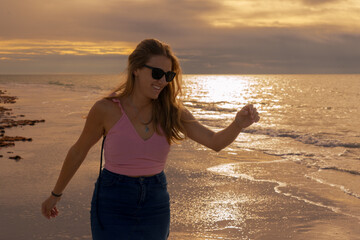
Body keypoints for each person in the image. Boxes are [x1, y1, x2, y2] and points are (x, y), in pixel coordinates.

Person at [41, 38, 260, 240]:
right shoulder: (106, 109)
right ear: (136, 69)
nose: (163, 81)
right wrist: (55, 194)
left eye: (169, 75)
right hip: (112, 199)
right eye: (157, 73)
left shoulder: (172, 112)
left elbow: (215, 142)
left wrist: (237, 124)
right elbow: (79, 151)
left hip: (156, 202)